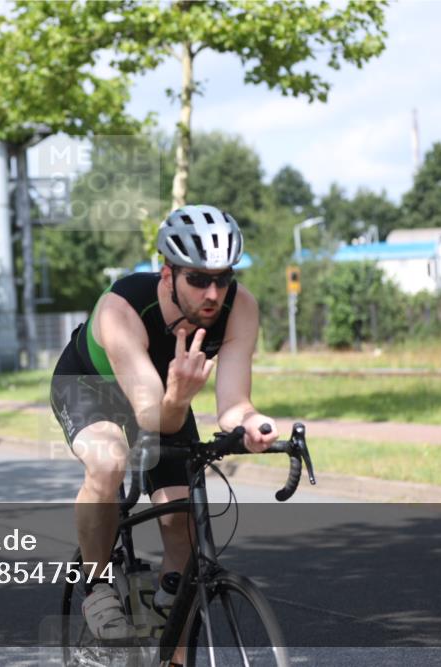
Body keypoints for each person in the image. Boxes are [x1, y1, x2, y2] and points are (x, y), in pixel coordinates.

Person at [50, 205, 278, 643]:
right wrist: (176, 397)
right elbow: (153, 415)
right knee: (109, 460)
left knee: (182, 518)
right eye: (198, 278)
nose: (213, 293)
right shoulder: (123, 307)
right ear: (168, 273)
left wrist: (253, 424)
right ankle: (96, 586)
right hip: (92, 387)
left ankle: (168, 621)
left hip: (166, 393)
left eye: (223, 277)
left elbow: (233, 403)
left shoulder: (240, 306)